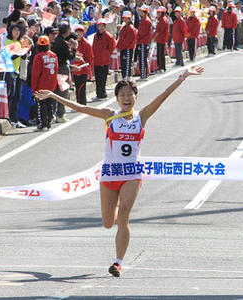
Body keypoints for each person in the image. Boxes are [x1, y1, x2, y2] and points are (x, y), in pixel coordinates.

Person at [34, 65, 205, 277]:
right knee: (108, 222)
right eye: (122, 95)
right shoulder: (109, 115)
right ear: (117, 98)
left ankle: (118, 262)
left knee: (123, 217)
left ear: (136, 97)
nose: (126, 98)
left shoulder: (141, 117)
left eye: (130, 95)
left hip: (132, 175)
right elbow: (81, 108)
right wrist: (53, 95)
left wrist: (182, 77)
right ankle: (114, 206)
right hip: (109, 175)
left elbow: (162, 97)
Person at [31, 36, 59, 130]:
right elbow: (56, 70)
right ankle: (48, 123)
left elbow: (35, 74)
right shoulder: (54, 56)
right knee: (49, 104)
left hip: (41, 85)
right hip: (51, 85)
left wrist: (34, 89)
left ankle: (42, 124)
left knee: (41, 105)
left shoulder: (38, 57)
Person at [52, 22, 77, 122]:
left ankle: (52, 114)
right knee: (63, 91)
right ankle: (60, 115)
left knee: (55, 91)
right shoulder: (64, 43)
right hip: (62, 68)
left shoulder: (56, 40)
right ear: (67, 31)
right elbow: (70, 56)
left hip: (54, 68)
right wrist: (74, 48)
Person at [92, 19, 116, 101]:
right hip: (96, 60)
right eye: (99, 26)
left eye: (102, 26)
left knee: (103, 78)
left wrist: (106, 54)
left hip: (104, 60)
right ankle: (98, 94)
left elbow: (112, 47)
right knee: (98, 78)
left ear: (105, 27)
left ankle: (103, 94)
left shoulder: (108, 36)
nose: (101, 28)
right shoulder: (95, 36)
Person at [72, 25, 94, 106]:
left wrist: (88, 68)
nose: (78, 34)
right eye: (77, 32)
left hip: (83, 69)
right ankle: (79, 103)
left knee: (82, 87)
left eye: (80, 32)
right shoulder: (73, 43)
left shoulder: (86, 44)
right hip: (75, 69)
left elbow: (90, 58)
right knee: (77, 87)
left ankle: (82, 103)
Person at [116, 11, 137, 81]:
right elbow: (121, 38)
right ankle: (124, 77)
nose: (125, 19)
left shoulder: (130, 28)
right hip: (123, 48)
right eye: (124, 18)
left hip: (127, 48)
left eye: (127, 18)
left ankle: (127, 77)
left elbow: (127, 41)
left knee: (127, 63)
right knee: (123, 64)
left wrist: (120, 47)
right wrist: (118, 46)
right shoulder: (124, 27)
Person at [136, 5, 152, 80]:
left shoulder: (146, 21)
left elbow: (142, 33)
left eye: (142, 11)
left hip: (143, 42)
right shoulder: (144, 20)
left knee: (142, 59)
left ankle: (143, 75)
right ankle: (144, 74)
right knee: (143, 58)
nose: (140, 12)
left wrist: (137, 36)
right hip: (143, 41)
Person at [153, 6, 169, 73]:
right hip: (160, 39)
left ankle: (162, 67)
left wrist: (154, 37)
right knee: (159, 53)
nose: (158, 13)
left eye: (159, 12)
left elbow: (159, 31)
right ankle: (160, 67)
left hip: (161, 39)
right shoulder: (161, 19)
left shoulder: (162, 20)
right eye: (158, 12)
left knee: (160, 53)